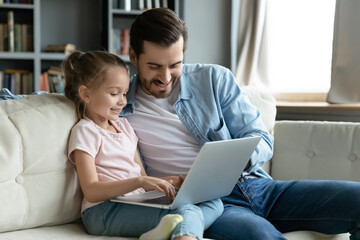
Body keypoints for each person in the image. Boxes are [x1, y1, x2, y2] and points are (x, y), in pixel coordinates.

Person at [120, 7, 360, 240]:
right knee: (261, 235)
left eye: (175, 65)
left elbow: (262, 138)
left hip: (257, 187)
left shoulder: (214, 79)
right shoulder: (117, 106)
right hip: (210, 205)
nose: (165, 78)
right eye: (154, 67)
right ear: (133, 56)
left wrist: (237, 160)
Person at [62, 50, 223, 240]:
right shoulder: (85, 131)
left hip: (135, 202)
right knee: (187, 211)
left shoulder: (124, 125)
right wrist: (139, 182)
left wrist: (168, 182)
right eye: (114, 93)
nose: (122, 101)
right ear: (85, 94)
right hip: (102, 211)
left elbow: (143, 178)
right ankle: (184, 235)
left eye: (124, 93)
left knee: (214, 202)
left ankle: (168, 231)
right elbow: (91, 190)